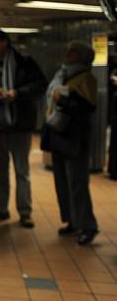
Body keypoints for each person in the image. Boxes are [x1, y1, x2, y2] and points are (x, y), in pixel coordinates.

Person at [0, 29, 46, 228]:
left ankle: (25, 211)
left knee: (21, 170)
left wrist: (17, 93)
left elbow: (40, 85)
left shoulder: (24, 61)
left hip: (19, 122)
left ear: (5, 42)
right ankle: (1, 208)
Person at [41, 42, 99, 245]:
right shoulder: (62, 75)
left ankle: (88, 226)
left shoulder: (87, 79)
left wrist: (64, 100)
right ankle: (72, 221)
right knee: (62, 183)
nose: (68, 54)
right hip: (58, 135)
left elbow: (87, 108)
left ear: (82, 56)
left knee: (77, 184)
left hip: (75, 138)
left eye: (73, 52)